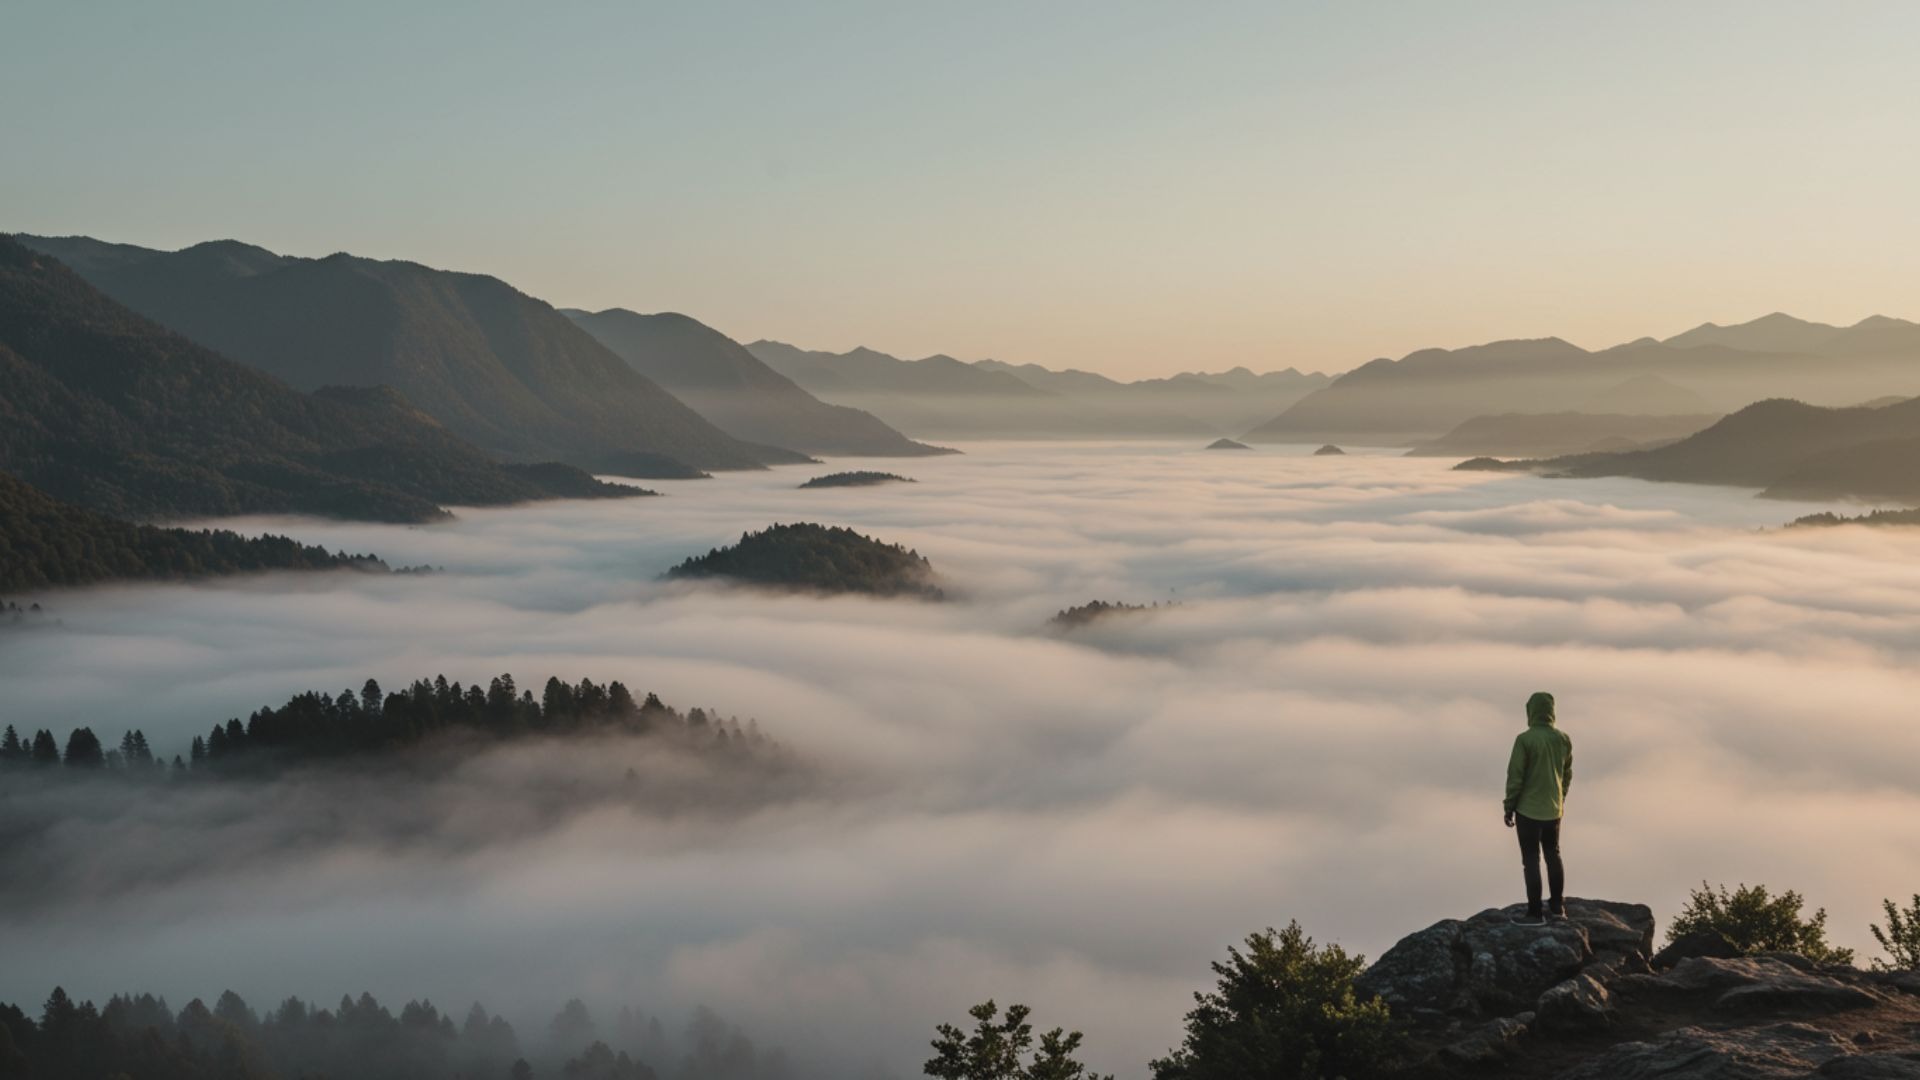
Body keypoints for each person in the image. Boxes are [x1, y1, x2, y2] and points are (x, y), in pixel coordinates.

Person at [1504, 691, 1573, 926]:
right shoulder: (1563, 739)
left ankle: (1534, 914)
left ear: (1530, 712)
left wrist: (1509, 806)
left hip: (1528, 810)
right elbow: (1566, 773)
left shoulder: (1524, 740)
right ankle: (1557, 907)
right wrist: (1560, 797)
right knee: (1553, 854)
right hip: (1554, 810)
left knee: (1531, 859)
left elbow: (1516, 776)